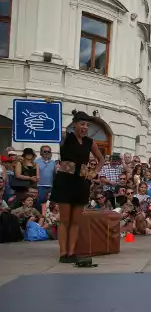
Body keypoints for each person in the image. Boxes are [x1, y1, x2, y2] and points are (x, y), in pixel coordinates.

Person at [50, 111, 104, 263]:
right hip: (65, 181)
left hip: (81, 182)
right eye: (82, 124)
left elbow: (101, 159)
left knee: (75, 221)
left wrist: (94, 173)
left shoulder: (90, 142)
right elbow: (53, 131)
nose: (85, 127)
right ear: (74, 124)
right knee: (65, 220)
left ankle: (72, 252)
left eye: (87, 125)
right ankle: (63, 253)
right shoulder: (66, 137)